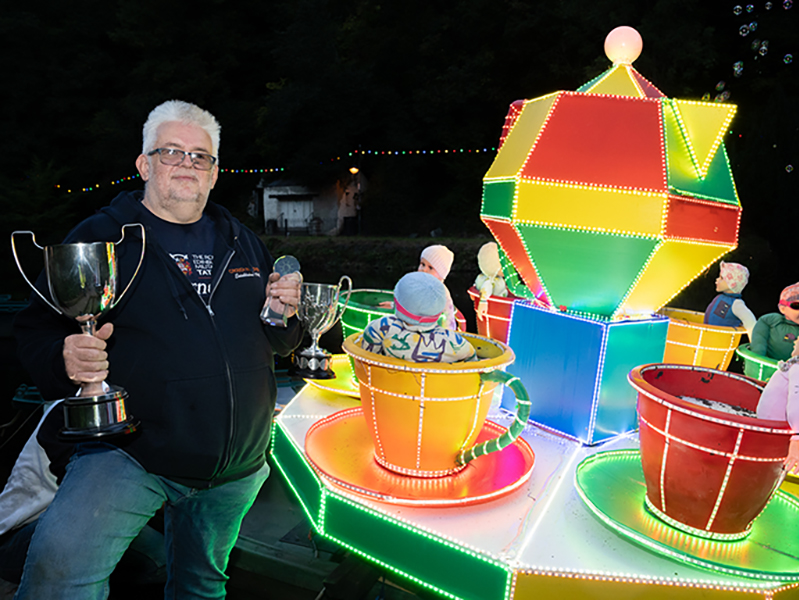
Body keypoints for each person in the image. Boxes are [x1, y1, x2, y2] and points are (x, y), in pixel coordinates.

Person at [12, 100, 304, 599]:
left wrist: (286, 314)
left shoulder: (243, 241)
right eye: (171, 152)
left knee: (201, 584)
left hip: (237, 465)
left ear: (214, 174)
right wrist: (64, 356)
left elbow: (279, 342)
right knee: (59, 575)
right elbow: (36, 330)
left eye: (200, 156)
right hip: (130, 454)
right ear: (144, 165)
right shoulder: (101, 236)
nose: (187, 164)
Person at [0, 403, 166, 588]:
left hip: (66, 520)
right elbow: (97, 495)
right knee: (163, 558)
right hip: (17, 538)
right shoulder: (76, 410)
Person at [361, 272, 475, 363]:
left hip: (390, 387)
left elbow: (367, 358)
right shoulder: (454, 341)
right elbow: (473, 363)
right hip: (437, 390)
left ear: (397, 304)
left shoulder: (382, 328)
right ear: (439, 310)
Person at [757, 337, 799, 473]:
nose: (795, 340)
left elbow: (797, 402)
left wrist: (797, 438)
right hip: (770, 431)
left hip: (777, 434)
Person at [703, 261, 756, 339]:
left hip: (721, 343)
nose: (717, 280)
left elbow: (751, 323)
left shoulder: (736, 304)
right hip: (707, 338)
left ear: (732, 283)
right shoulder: (720, 297)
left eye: (721, 278)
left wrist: (756, 346)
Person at [750, 282, 799, 361]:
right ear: (783, 308)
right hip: (768, 367)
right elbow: (758, 347)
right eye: (796, 306)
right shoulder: (770, 321)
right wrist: (758, 362)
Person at [418, 244, 459, 330]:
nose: (424, 269)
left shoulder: (438, 290)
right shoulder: (422, 285)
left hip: (440, 330)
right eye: (422, 264)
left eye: (430, 268)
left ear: (441, 274)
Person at [473, 242, 508, 322]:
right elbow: (485, 289)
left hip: (499, 309)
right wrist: (483, 301)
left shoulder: (481, 277)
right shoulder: (491, 281)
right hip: (498, 310)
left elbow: (476, 286)